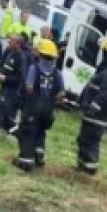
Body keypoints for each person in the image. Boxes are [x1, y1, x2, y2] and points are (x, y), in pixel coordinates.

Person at [15, 38, 65, 172]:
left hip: (34, 107)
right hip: (48, 110)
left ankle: (26, 161)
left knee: (28, 131)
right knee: (41, 129)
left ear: (41, 55)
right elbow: (61, 93)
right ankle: (39, 152)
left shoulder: (34, 68)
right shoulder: (57, 73)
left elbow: (29, 87)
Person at [75, 38, 107, 176]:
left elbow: (106, 94)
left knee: (90, 140)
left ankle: (88, 170)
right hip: (94, 116)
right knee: (84, 139)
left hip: (96, 117)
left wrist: (93, 108)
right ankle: (82, 167)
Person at [0, 32, 27, 141]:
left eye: (11, 41)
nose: (8, 42)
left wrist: (6, 79)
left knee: (0, 110)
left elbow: (21, 78)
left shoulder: (21, 58)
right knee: (6, 112)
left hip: (11, 90)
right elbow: (4, 66)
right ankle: (18, 133)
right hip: (4, 87)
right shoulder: (9, 52)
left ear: (18, 44)